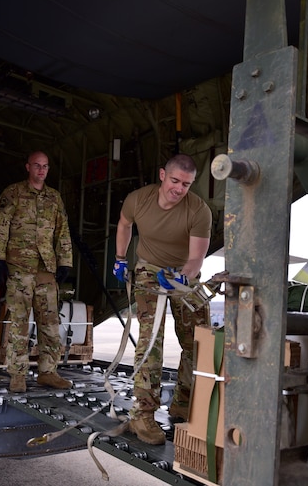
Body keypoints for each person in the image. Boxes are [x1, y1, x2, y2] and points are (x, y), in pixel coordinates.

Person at [113, 153, 212, 445]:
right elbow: (124, 224)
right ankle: (142, 414)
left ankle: (184, 404)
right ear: (162, 175)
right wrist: (120, 258)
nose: (179, 189)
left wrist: (183, 277)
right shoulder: (138, 200)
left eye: (186, 184)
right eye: (175, 181)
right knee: (151, 340)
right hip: (148, 269)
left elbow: (196, 259)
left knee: (198, 340)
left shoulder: (198, 210)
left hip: (183, 273)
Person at [0, 151, 74, 393]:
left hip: (46, 269)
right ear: (28, 167)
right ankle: (17, 375)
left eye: (45, 166)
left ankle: (48, 372)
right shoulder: (12, 193)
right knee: (19, 323)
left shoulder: (54, 198)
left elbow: (62, 231)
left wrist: (65, 261)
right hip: (19, 268)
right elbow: (1, 226)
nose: (41, 170)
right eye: (37, 165)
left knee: (50, 323)